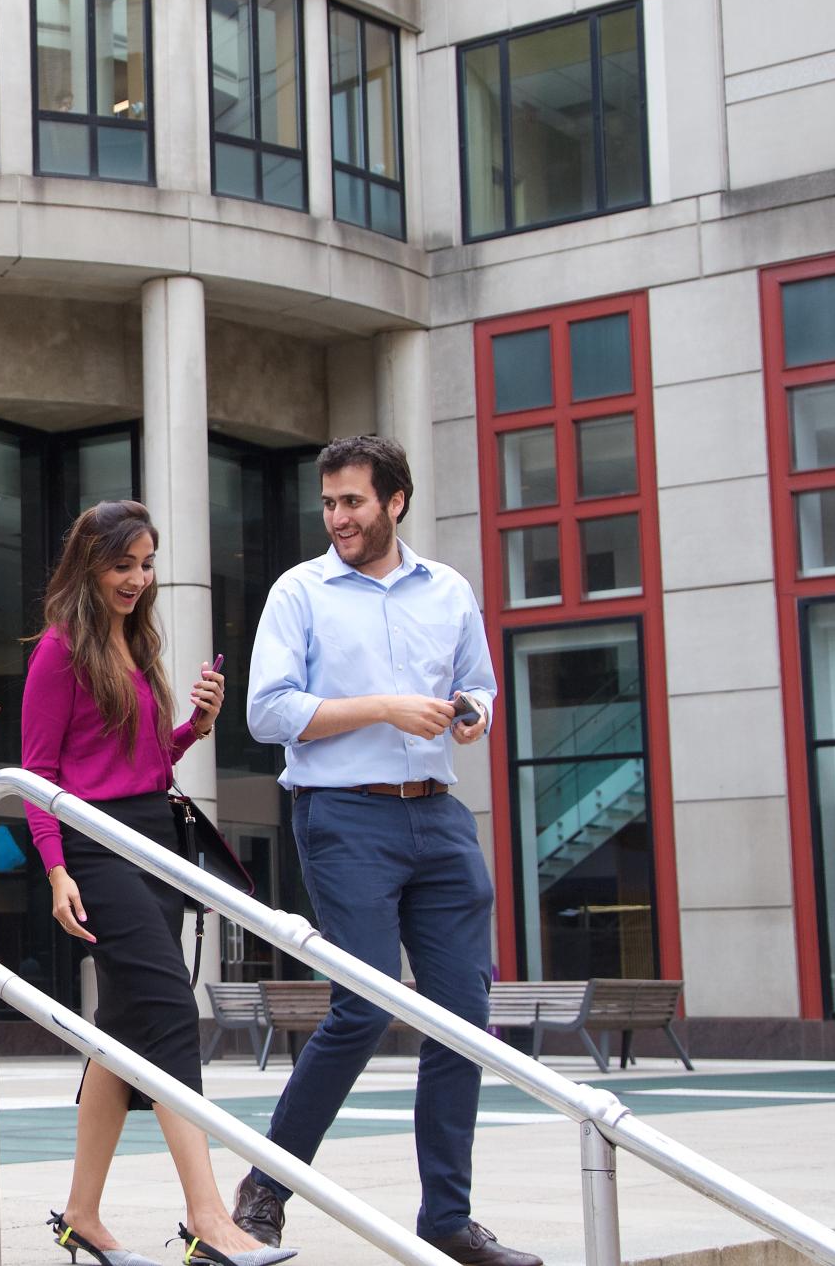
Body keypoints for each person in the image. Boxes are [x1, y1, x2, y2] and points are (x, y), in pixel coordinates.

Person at [235, 435, 536, 1266]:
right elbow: (267, 713)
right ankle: (264, 1189)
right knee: (362, 1007)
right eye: (328, 503)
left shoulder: (447, 590)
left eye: (352, 502)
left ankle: (446, 1218)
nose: (336, 518)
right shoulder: (300, 592)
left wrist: (470, 712)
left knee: (463, 1021)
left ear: (394, 501)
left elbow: (478, 685)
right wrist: (380, 708)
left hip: (438, 820)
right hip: (341, 817)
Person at [26, 502, 294, 1266]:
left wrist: (193, 731)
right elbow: (39, 776)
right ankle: (207, 1217)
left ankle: (80, 1214)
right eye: (122, 565)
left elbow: (142, 763)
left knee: (121, 1033)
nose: (137, 580)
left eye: (146, 564)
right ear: (88, 565)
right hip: (95, 846)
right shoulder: (58, 651)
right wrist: (54, 871)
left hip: (154, 841)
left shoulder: (135, 643)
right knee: (171, 1011)